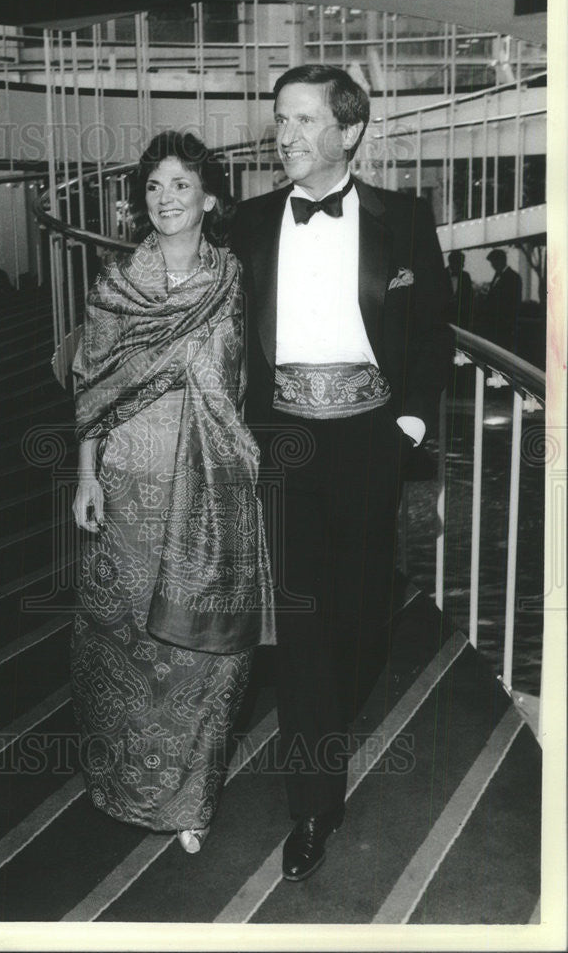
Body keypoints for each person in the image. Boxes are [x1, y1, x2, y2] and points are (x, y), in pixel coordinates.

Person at [231, 65, 451, 881]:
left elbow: (431, 334)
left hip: (369, 438)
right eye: (278, 118)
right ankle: (314, 802)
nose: (282, 134)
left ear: (350, 132)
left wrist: (406, 428)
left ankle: (326, 713)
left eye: (301, 120)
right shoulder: (246, 225)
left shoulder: (404, 221)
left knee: (361, 619)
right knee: (302, 626)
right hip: (278, 440)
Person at [71, 131, 274, 854]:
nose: (164, 200)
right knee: (127, 643)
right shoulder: (115, 285)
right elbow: (91, 386)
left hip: (213, 486)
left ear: (209, 198)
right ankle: (126, 787)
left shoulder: (234, 278)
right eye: (153, 187)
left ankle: (190, 799)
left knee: (206, 652)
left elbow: (245, 381)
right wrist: (86, 475)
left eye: (180, 186)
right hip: (129, 483)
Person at [485, 248, 522, 351]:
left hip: (504, 327)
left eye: (493, 262)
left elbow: (514, 303)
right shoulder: (497, 275)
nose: (492, 265)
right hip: (494, 327)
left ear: (500, 261)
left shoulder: (514, 277)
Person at [447, 249, 475, 331]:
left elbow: (469, 299)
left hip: (461, 321)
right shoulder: (440, 274)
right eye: (461, 263)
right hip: (444, 320)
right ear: (452, 262)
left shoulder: (466, 276)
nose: (463, 265)